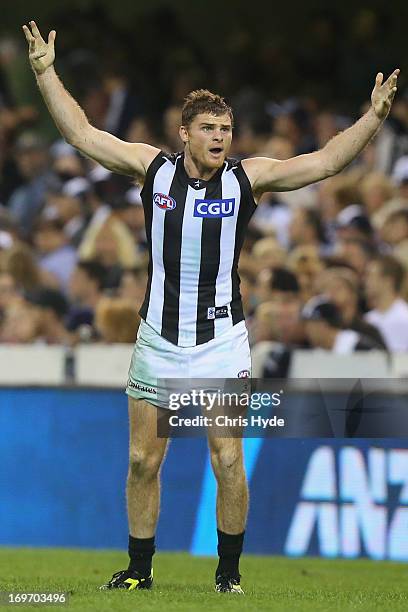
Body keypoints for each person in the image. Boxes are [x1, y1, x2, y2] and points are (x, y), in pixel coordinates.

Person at [23, 20, 400, 595]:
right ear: (185, 134)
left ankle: (228, 576)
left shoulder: (248, 180)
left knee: (227, 458)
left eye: (226, 127)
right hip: (158, 338)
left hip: (222, 340)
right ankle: (139, 573)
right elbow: (81, 133)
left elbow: (324, 162)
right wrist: (46, 73)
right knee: (142, 463)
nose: (221, 137)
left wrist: (373, 119)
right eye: (209, 128)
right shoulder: (153, 170)